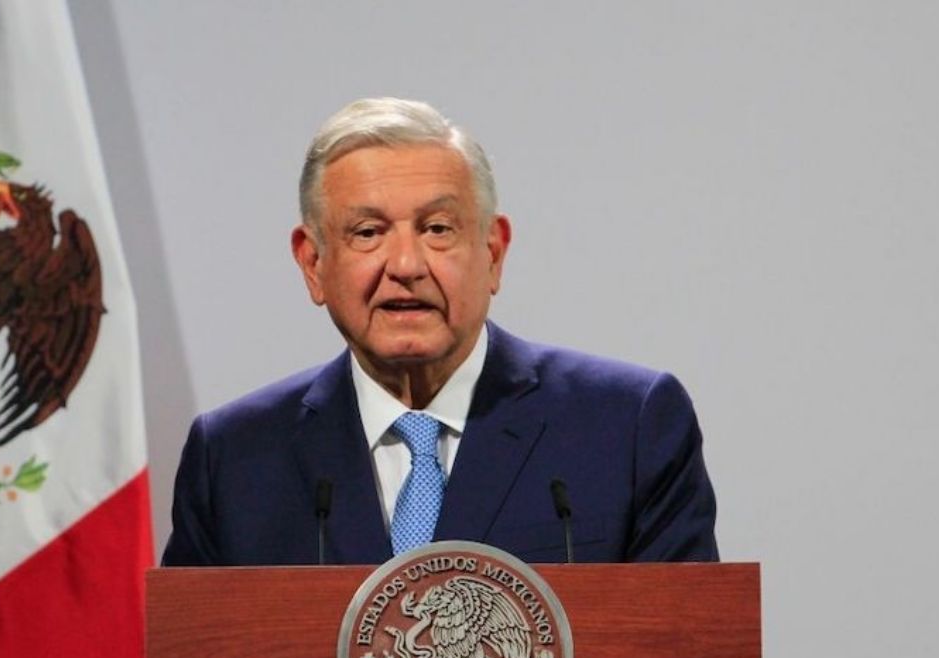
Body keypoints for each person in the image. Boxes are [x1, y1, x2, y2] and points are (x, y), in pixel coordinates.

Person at [162, 97, 717, 566]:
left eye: (437, 229)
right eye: (367, 232)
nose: (406, 264)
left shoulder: (626, 427)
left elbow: (687, 652)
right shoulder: (233, 460)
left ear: (493, 252)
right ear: (313, 264)